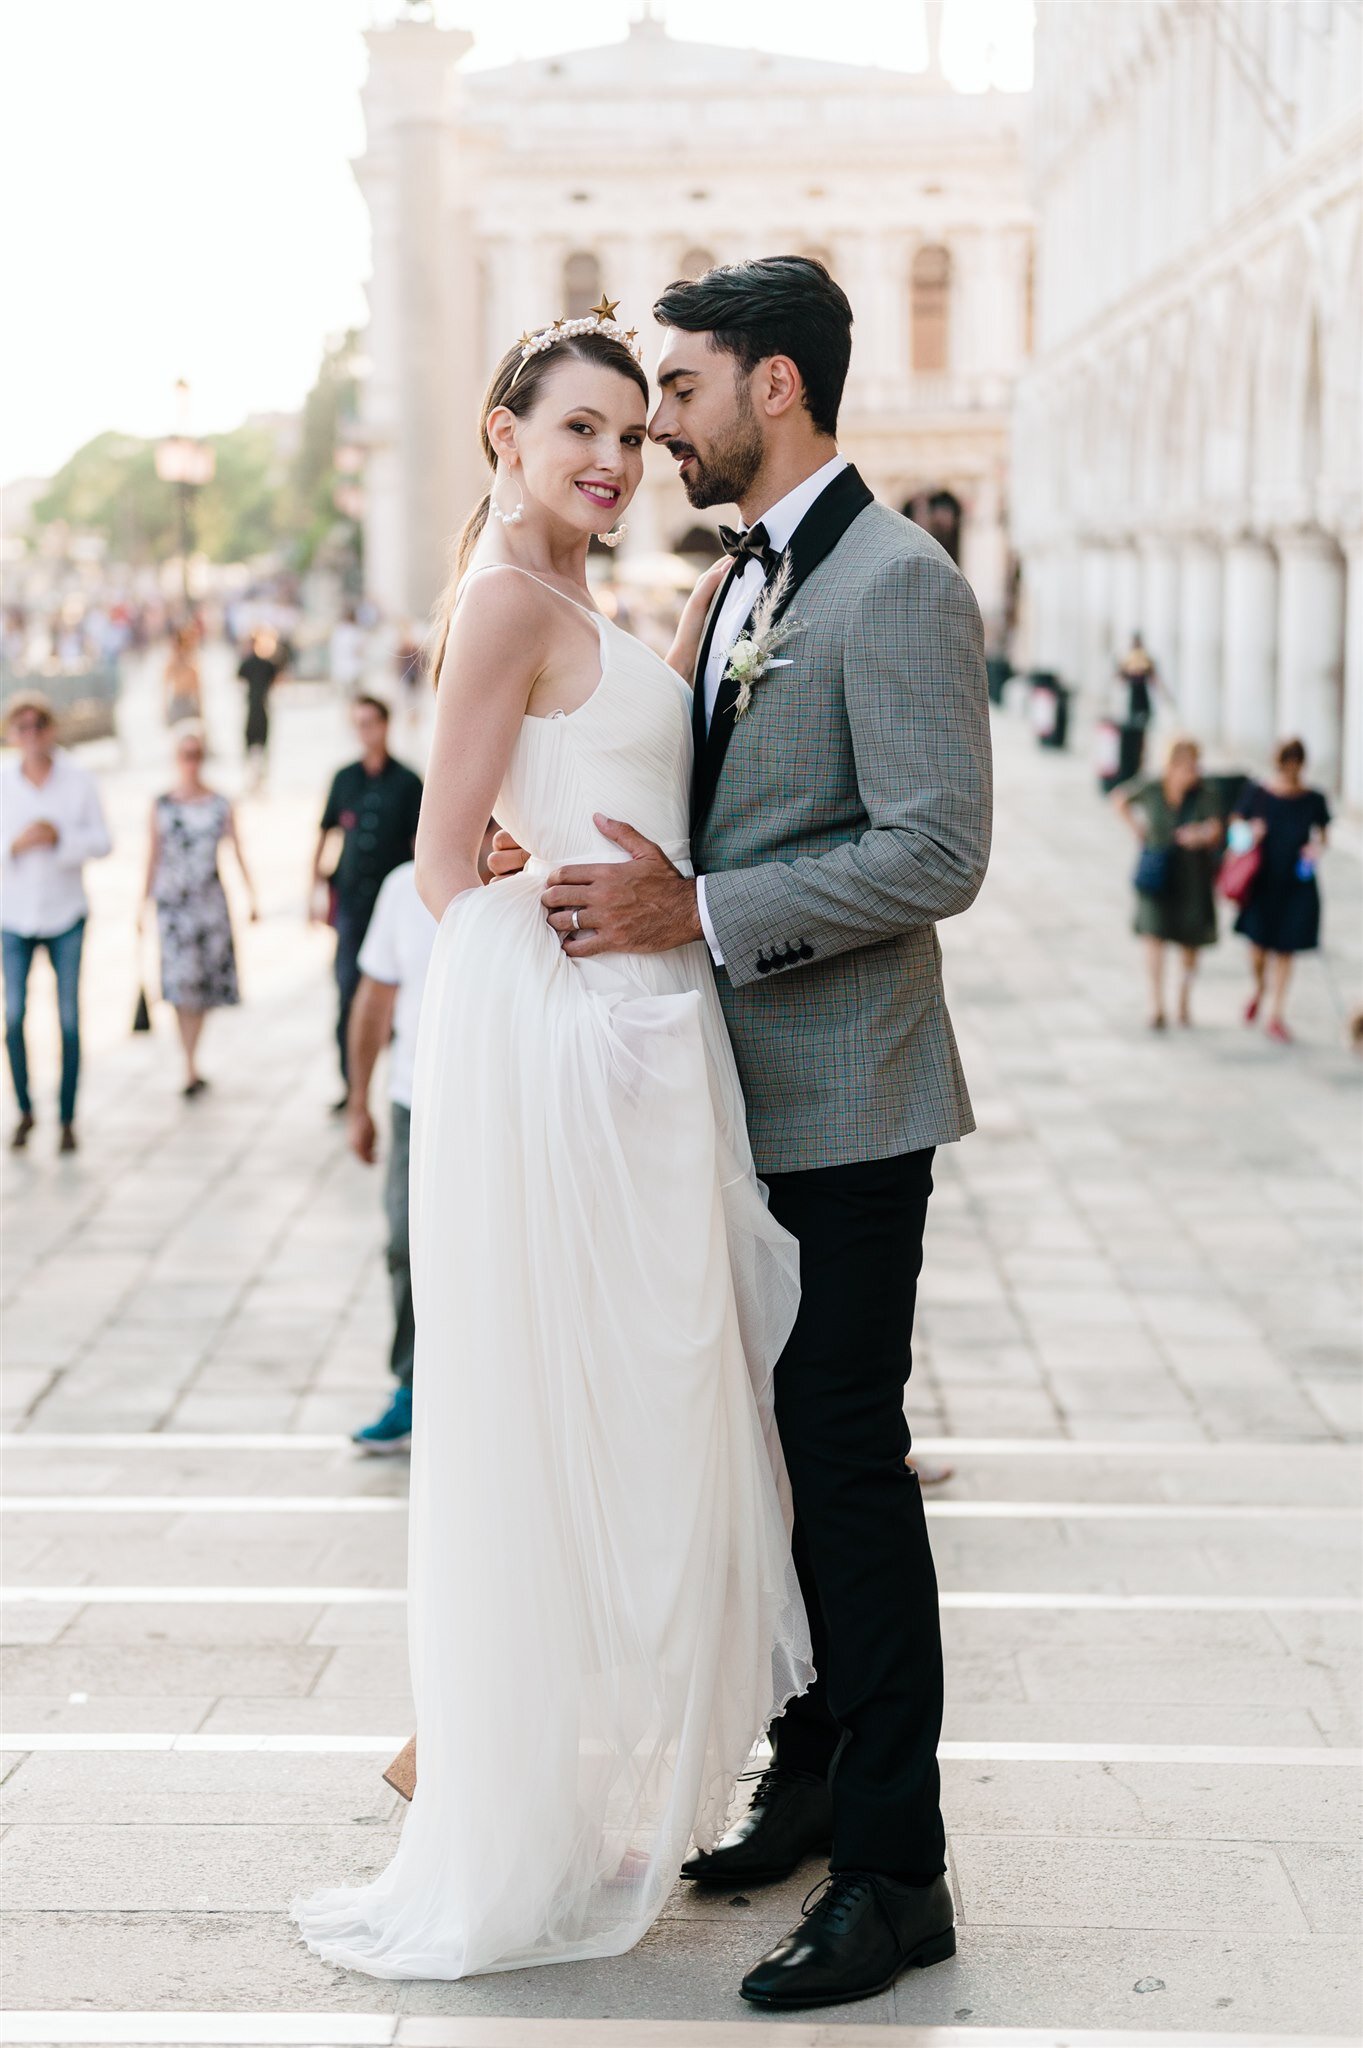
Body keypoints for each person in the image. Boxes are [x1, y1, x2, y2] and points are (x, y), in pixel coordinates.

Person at [296, 259, 992, 2009]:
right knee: (741, 1438)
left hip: (830, 1089)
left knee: (827, 1453)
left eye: (665, 399)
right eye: (600, 419)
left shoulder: (889, 578)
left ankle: (894, 1869)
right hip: (667, 1070)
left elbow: (934, 852)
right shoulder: (702, 577)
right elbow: (464, 850)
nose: (639, 439)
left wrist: (694, 912)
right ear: (509, 437)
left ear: (767, 387)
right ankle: (801, 1774)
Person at [344, 859, 437, 1452]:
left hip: (503, 1100)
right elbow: (373, 1002)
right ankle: (411, 1388)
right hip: (414, 1100)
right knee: (405, 1243)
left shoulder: (530, 882)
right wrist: (359, 1101)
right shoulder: (404, 886)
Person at [1, 691, 112, 1153]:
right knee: (14, 1017)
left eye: (38, 725)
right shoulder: (5, 783)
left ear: (50, 729)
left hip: (65, 913)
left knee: (68, 1019)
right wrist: (17, 844)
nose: (30, 734)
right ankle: (25, 1108)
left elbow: (103, 841)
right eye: (21, 726)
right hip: (14, 915)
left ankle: (67, 1116)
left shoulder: (78, 780)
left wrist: (60, 838)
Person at [311, 698, 423, 1113]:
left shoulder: (409, 783)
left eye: (371, 723)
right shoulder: (343, 779)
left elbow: (421, 845)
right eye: (358, 724)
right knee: (346, 990)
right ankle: (350, 1081)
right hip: (352, 905)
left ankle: (397, 1076)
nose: (365, 731)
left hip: (392, 904)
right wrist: (314, 892)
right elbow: (325, 834)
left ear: (385, 724)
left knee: (393, 995)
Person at [140, 722, 257, 1096]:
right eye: (185, 755)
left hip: (210, 906)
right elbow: (152, 857)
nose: (191, 763)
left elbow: (237, 850)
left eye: (197, 755)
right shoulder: (161, 805)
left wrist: (252, 896)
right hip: (174, 906)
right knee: (180, 983)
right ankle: (188, 1063)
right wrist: (140, 905)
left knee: (204, 985)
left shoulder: (220, 803)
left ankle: (194, 1054)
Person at [1112, 735, 1222, 1029]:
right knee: (1154, 937)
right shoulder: (1152, 787)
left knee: (1190, 943)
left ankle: (1183, 1000)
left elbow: (1217, 828)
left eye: (1195, 766)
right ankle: (1156, 1003)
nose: (1193, 773)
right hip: (1158, 874)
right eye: (1188, 766)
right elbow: (1120, 798)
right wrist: (1138, 829)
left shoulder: (1204, 793)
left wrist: (1200, 835)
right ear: (1172, 766)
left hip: (1192, 878)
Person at [1230, 738, 1330, 1044]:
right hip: (1262, 881)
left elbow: (1323, 835)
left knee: (1286, 947)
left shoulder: (1313, 798)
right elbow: (1236, 828)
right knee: (1258, 948)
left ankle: (1276, 1013)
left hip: (1296, 883)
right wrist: (1251, 833)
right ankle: (1260, 988)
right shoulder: (1258, 794)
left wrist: (1315, 849)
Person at [237, 628, 285, 793]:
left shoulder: (247, 663)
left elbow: (238, 684)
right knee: (261, 745)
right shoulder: (267, 664)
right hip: (262, 708)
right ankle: (258, 777)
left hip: (253, 708)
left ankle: (254, 777)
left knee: (251, 744)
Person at [163, 626, 202, 727]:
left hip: (187, 701)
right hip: (178, 701)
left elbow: (198, 690)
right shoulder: (173, 664)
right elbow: (164, 687)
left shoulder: (192, 665)